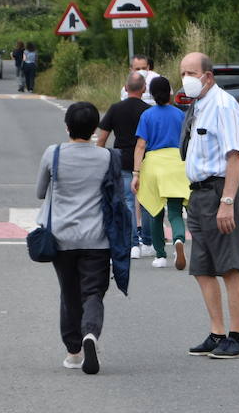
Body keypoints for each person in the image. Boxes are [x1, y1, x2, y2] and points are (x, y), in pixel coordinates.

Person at [38, 102, 130, 375]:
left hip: (61, 238)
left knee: (69, 293)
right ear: (94, 130)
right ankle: (91, 333)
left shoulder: (52, 154)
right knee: (93, 292)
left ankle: (74, 351)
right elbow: (115, 197)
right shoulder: (107, 157)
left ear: (67, 126)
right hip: (97, 239)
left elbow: (40, 191)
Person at [179, 52, 239, 359]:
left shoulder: (224, 106)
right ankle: (216, 331)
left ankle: (236, 335)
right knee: (203, 267)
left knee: (229, 265)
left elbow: (235, 156)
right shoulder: (198, 106)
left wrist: (227, 201)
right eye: (182, 72)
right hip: (199, 193)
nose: (185, 78)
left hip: (221, 189)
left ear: (207, 76)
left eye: (190, 73)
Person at [132, 76, 190, 270]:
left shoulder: (147, 116)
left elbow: (141, 146)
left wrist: (136, 173)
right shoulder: (180, 114)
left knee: (155, 211)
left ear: (151, 94)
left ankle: (160, 255)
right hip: (177, 163)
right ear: (170, 93)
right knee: (175, 212)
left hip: (155, 165)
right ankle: (179, 240)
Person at [97, 72, 152, 259]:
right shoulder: (148, 110)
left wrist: (101, 160)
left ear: (125, 88)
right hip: (145, 159)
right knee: (147, 203)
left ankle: (132, 243)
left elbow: (102, 139)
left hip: (121, 158)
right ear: (144, 89)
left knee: (128, 201)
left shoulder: (115, 108)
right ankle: (148, 242)